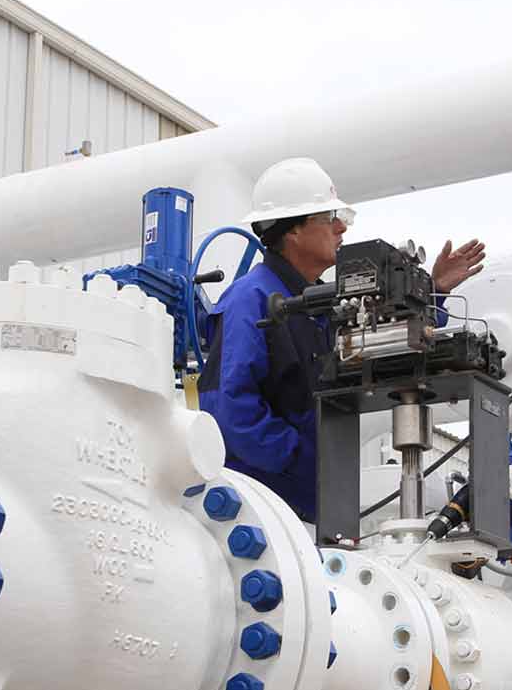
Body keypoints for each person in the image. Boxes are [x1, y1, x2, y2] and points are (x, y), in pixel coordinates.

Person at [198, 157, 485, 522]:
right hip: (264, 507)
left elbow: (384, 346)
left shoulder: (323, 303)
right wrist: (303, 458)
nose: (340, 229)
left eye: (341, 218)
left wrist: (433, 290)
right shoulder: (249, 301)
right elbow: (230, 411)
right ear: (293, 231)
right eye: (328, 219)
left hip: (314, 504)